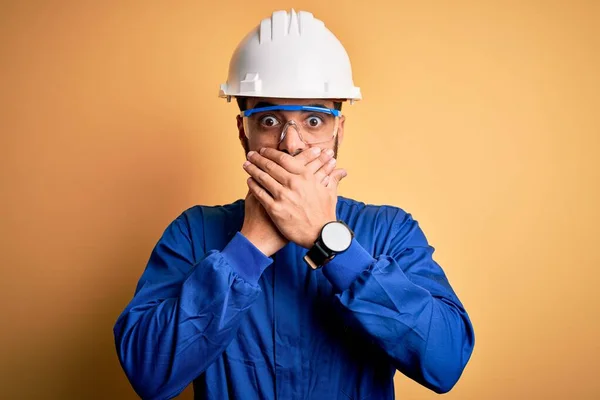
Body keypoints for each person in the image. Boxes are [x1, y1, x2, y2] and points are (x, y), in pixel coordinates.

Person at [113, 9, 475, 400]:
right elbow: (149, 375)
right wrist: (248, 248)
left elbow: (445, 361)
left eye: (314, 121)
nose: (291, 143)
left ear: (339, 131)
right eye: (269, 119)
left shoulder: (389, 231)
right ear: (243, 131)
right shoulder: (194, 232)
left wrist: (331, 243)